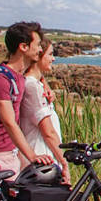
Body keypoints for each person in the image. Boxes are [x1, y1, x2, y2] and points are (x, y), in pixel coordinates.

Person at [0, 21, 54, 201]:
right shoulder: (0, 78)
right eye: (37, 45)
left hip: (10, 151)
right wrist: (32, 156)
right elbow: (9, 121)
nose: (40, 50)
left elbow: (33, 75)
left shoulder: (17, 75)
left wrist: (45, 84)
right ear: (23, 47)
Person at [20, 36, 70, 183]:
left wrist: (44, 82)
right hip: (41, 161)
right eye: (50, 54)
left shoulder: (35, 84)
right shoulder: (32, 87)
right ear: (38, 56)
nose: (53, 59)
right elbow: (48, 132)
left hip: (43, 160)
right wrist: (64, 163)